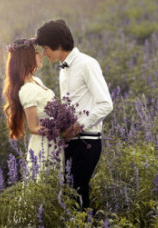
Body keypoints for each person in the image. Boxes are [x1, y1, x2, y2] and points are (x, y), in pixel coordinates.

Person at [36, 19, 113, 209]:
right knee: (71, 195)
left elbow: (106, 104)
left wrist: (78, 126)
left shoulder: (87, 64)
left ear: (57, 45)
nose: (44, 53)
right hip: (70, 140)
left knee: (78, 194)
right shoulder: (63, 69)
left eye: (45, 48)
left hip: (87, 141)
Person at [3, 38, 63, 179]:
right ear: (26, 58)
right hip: (43, 148)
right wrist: (58, 130)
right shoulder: (28, 90)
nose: (41, 55)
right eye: (36, 53)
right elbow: (33, 128)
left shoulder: (37, 81)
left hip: (53, 144)